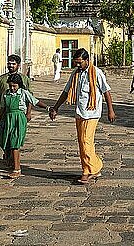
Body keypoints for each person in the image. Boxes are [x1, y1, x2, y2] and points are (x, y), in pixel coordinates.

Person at [49, 48, 115, 184]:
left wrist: (111, 110)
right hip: (79, 113)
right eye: (76, 62)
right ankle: (94, 167)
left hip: (92, 112)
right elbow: (66, 92)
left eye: (80, 62)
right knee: (83, 142)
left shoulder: (96, 72)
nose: (78, 65)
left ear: (87, 60)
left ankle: (88, 170)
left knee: (86, 140)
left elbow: (106, 91)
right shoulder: (75, 74)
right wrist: (55, 107)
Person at [0, 73, 48, 179]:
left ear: (19, 85)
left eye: (14, 86)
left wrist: (48, 108)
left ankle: (17, 169)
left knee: (15, 143)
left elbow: (35, 101)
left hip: (19, 119)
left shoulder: (23, 93)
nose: (12, 88)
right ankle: (10, 160)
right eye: (10, 86)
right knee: (5, 139)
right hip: (8, 119)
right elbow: (1, 109)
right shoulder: (5, 94)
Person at [0, 54, 32, 119]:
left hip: (18, 113)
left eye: (13, 64)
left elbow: (29, 98)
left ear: (18, 65)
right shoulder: (1, 79)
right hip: (3, 111)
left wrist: (28, 113)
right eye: (9, 64)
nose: (11, 66)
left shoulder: (24, 79)